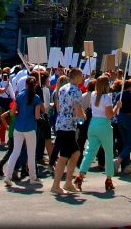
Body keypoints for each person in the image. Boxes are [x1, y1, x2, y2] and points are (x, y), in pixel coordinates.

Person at [76, 75, 116, 192]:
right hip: (104, 124)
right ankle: (108, 179)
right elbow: (109, 115)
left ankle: (81, 175)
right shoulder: (107, 98)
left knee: (90, 151)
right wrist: (117, 107)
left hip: (93, 124)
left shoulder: (93, 95)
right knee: (108, 152)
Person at [49, 67, 85, 195]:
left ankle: (68, 182)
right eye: (81, 76)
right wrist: (84, 116)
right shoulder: (76, 91)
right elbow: (78, 109)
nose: (82, 78)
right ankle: (56, 185)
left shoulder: (63, 88)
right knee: (64, 156)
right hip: (68, 125)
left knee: (75, 153)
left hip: (62, 123)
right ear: (76, 77)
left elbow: (59, 106)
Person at [3, 74, 43, 189]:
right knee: (31, 153)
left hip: (18, 126)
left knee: (15, 151)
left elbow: (12, 112)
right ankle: (33, 177)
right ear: (35, 84)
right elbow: (36, 116)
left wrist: (18, 113)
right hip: (30, 128)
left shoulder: (20, 95)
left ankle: (8, 176)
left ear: (25, 84)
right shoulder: (36, 98)